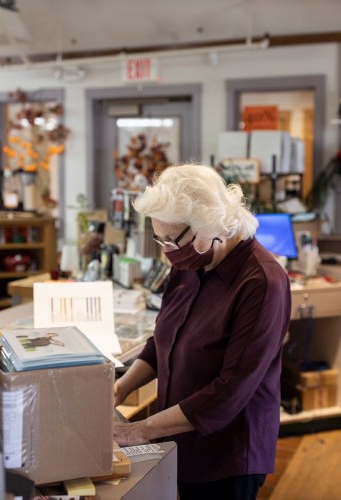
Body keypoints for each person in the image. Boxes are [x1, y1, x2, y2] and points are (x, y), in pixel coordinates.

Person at [113, 164, 291, 500]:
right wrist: (120, 388)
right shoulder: (189, 263)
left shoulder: (262, 283)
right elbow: (162, 342)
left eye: (172, 238)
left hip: (229, 454)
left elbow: (229, 392)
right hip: (180, 436)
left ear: (212, 225)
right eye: (159, 237)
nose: (166, 249)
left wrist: (139, 431)